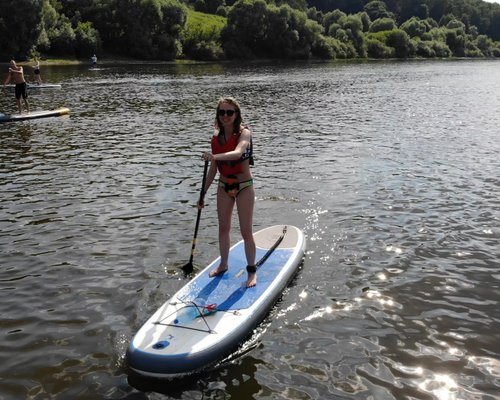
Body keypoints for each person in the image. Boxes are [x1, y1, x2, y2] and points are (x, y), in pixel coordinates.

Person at [199, 97, 257, 288]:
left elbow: (239, 153)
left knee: (245, 231)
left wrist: (213, 156)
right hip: (224, 186)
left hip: (244, 187)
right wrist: (203, 194)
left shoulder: (244, 133)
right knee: (223, 228)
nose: (225, 116)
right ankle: (223, 264)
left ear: (236, 114)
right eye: (222, 112)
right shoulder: (216, 138)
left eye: (229, 112)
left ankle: (251, 272)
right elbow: (214, 168)